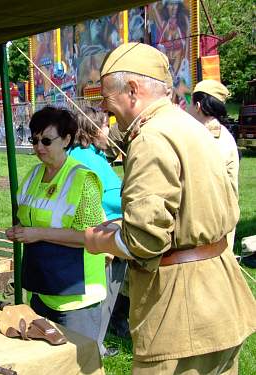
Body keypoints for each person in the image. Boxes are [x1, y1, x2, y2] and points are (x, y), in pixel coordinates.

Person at [80, 43, 255, 374]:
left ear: (132, 90)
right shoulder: (191, 126)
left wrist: (98, 240)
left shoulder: (152, 138)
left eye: (106, 96)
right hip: (221, 302)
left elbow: (144, 241)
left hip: (183, 314)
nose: (104, 108)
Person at [5, 106, 107, 345]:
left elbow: (90, 236)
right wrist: (20, 230)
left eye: (47, 140)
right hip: (42, 289)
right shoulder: (32, 175)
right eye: (35, 140)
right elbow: (28, 216)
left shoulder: (83, 179)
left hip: (77, 297)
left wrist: (38, 234)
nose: (39, 147)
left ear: (67, 140)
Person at [68, 107, 126, 356]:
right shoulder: (87, 159)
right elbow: (109, 198)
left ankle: (94, 343)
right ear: (92, 130)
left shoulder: (92, 155)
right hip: (102, 236)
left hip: (103, 234)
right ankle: (94, 348)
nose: (109, 131)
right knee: (103, 295)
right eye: (105, 126)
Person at [187, 79, 240, 251]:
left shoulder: (209, 136)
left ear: (198, 106)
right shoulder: (219, 134)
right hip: (220, 220)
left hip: (211, 224)